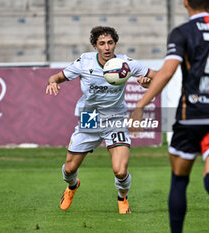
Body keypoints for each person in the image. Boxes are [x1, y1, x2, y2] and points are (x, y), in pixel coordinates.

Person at [130, 0, 209, 231]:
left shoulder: (182, 33)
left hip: (192, 114)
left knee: (179, 179)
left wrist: (141, 104)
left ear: (185, 3)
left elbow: (168, 71)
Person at [46, 26, 156, 214]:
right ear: (95, 46)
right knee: (69, 170)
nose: (107, 47)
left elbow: (159, 77)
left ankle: (122, 199)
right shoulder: (84, 62)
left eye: (110, 43)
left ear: (115, 44)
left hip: (115, 117)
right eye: (102, 43)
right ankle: (72, 186)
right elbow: (55, 77)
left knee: (120, 171)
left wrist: (148, 83)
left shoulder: (125, 64)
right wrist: (53, 82)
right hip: (90, 118)